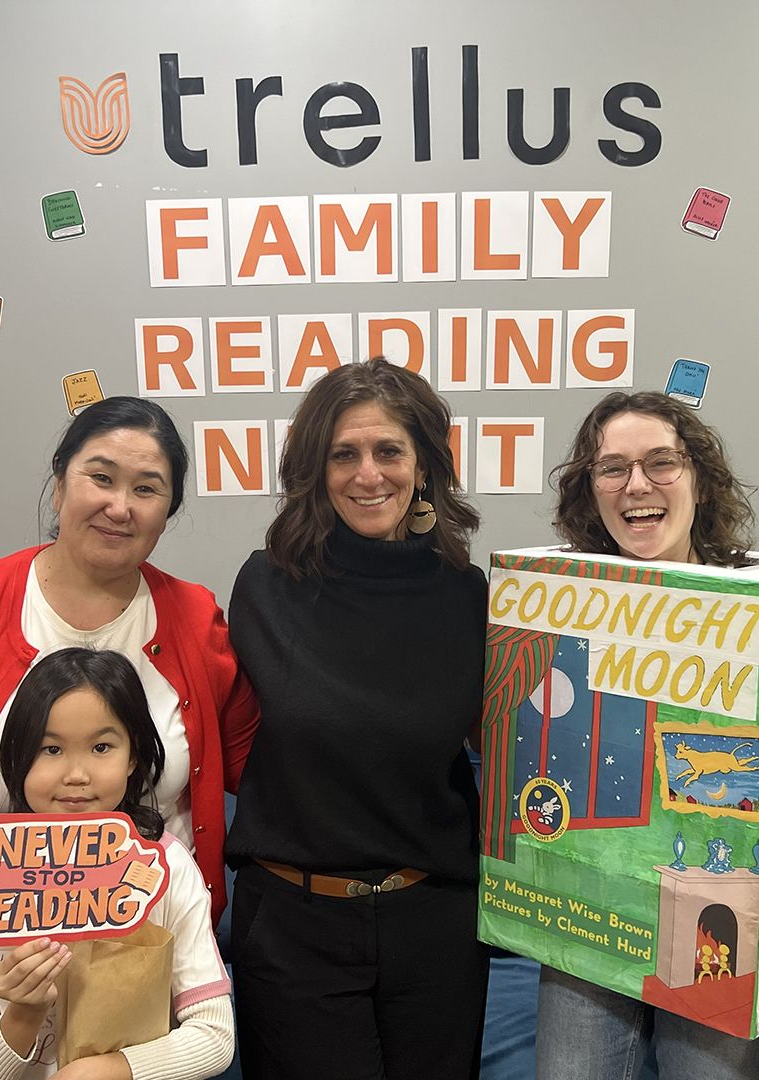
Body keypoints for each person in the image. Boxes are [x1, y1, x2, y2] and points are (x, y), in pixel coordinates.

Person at [0, 397, 257, 1072]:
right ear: (61, 477)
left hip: (148, 949)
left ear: (168, 509)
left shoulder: (194, 618)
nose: (120, 505)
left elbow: (256, 763)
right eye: (101, 477)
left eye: (147, 489)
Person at [538, 391, 759, 1080]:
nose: (636, 484)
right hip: (588, 928)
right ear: (591, 491)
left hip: (724, 947)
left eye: (660, 462)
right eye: (612, 468)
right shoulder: (566, 608)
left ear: (700, 478)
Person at [225, 358, 490, 1080]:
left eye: (388, 451)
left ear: (424, 465)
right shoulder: (265, 587)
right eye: (344, 454)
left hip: (434, 923)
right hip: (293, 924)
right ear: (316, 468)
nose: (368, 474)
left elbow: (497, 748)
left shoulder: (468, 596)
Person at [0, 648, 234, 1080]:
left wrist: (115, 1070)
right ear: (17, 756)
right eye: (50, 748)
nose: (76, 774)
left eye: (101, 747)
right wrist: (21, 1015)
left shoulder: (165, 867)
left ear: (133, 756)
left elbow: (215, 1036)